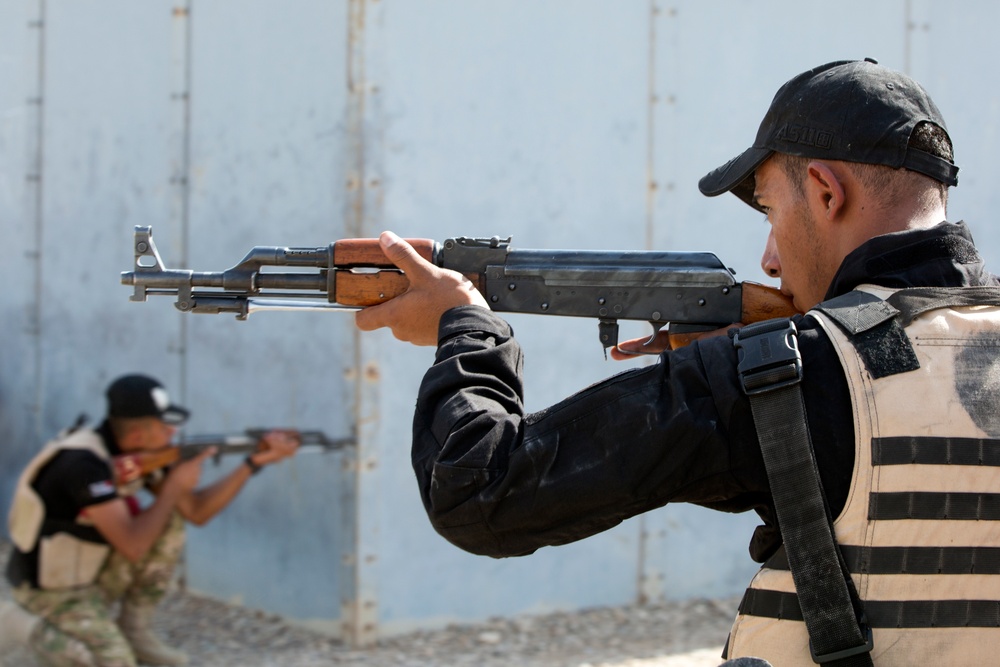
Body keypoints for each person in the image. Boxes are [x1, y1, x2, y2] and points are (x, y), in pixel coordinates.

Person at [354, 58, 1000, 665]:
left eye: (772, 210)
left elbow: (480, 487)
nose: (770, 259)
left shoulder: (781, 372)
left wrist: (462, 326)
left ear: (827, 192)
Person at [5, 373, 300, 667]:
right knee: (101, 660)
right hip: (47, 588)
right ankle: (15, 624)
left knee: (166, 523)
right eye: (164, 426)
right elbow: (133, 546)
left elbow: (197, 512)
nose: (172, 433)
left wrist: (251, 465)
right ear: (137, 434)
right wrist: (173, 487)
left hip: (88, 574)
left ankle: (134, 630)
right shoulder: (83, 464)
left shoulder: (134, 455)